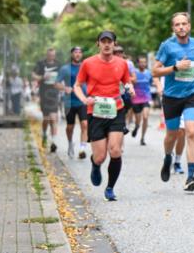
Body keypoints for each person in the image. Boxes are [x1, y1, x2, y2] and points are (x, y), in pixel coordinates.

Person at [73, 31, 134, 201]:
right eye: (103, 41)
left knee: (115, 150)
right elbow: (77, 85)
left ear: (114, 44)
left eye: (110, 41)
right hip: (96, 111)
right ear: (98, 43)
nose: (107, 45)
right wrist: (84, 99)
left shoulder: (122, 64)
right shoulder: (88, 63)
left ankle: (110, 188)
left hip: (116, 109)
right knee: (100, 157)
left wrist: (130, 88)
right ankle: (95, 164)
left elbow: (126, 81)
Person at [153, 12, 194, 193]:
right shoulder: (167, 47)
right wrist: (175, 67)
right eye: (177, 25)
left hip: (191, 94)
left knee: (191, 132)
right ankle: (168, 157)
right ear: (173, 28)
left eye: (184, 24)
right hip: (171, 97)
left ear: (189, 26)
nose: (181, 27)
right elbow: (155, 71)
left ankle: (190, 176)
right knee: (172, 135)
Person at [57, 46, 89, 159]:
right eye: (76, 52)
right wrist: (65, 88)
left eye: (80, 52)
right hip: (69, 102)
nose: (78, 54)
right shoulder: (65, 69)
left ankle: (82, 149)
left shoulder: (85, 67)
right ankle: (70, 143)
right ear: (72, 54)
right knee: (70, 127)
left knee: (84, 124)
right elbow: (56, 83)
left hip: (82, 101)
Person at [33, 48, 62, 152]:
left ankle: (54, 142)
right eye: (50, 55)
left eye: (53, 55)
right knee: (46, 119)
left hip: (54, 94)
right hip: (44, 94)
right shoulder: (41, 63)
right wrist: (42, 77)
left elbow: (62, 77)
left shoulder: (59, 65)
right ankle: (44, 134)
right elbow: (34, 75)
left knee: (53, 118)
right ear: (47, 55)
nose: (51, 57)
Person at [131, 55, 154, 145]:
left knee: (145, 117)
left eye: (144, 62)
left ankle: (142, 138)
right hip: (136, 99)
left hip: (146, 98)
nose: (143, 64)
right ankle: (136, 127)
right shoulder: (134, 73)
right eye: (141, 62)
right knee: (138, 120)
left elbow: (152, 81)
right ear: (138, 63)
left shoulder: (149, 73)